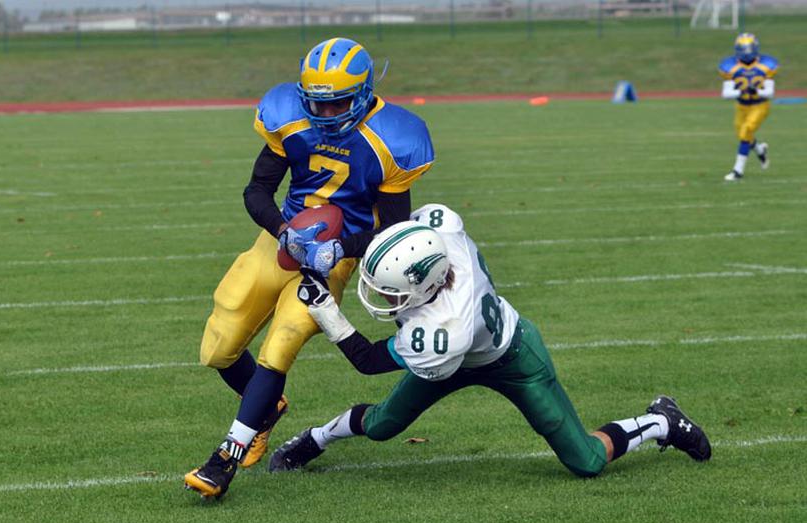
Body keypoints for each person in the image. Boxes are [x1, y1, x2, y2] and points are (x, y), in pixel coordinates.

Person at [269, 203, 712, 477]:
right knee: (385, 425)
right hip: (458, 348)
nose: (384, 297)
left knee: (586, 462)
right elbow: (403, 232)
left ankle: (661, 421)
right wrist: (340, 246)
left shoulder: (443, 328)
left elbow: (367, 360)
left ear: (424, 287)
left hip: (512, 357)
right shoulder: (439, 233)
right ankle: (313, 439)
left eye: (391, 292)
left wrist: (325, 310)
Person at [184, 38, 435, 499]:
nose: (324, 112)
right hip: (282, 240)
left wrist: (340, 250)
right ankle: (265, 409)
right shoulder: (289, 115)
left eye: (335, 101)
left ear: (361, 94)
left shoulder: (393, 137)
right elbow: (256, 190)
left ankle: (224, 459)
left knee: (283, 340)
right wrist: (282, 229)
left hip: (333, 258)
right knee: (218, 348)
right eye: (315, 101)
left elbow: (395, 229)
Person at [719, 33, 778, 181]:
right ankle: (760, 149)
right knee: (743, 135)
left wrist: (756, 90)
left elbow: (770, 92)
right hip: (741, 106)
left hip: (760, 105)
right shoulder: (730, 67)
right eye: (743, 49)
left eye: (749, 48)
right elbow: (726, 93)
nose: (746, 52)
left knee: (746, 131)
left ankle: (738, 171)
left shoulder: (766, 65)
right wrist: (743, 90)